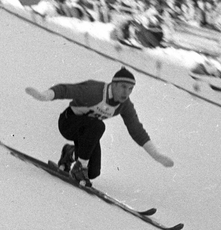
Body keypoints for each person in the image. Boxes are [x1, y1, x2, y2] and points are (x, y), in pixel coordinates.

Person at [25, 66, 173, 185]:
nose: (126, 92)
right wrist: (45, 96)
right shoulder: (95, 90)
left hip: (86, 132)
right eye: (123, 87)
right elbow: (66, 89)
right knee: (98, 126)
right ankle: (79, 166)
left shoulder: (124, 105)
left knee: (93, 172)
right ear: (113, 84)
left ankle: (70, 153)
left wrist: (156, 155)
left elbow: (136, 130)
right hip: (68, 123)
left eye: (130, 89)